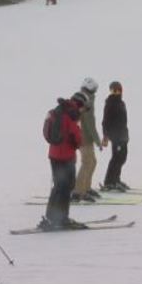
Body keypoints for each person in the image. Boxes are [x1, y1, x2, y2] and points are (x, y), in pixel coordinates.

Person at [41, 92, 86, 230]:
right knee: (66, 188)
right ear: (79, 104)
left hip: (54, 155)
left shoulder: (57, 111)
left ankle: (51, 217)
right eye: (82, 107)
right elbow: (77, 139)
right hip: (66, 158)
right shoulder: (71, 114)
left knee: (57, 187)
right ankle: (62, 218)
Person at [73, 78, 102, 203]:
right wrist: (97, 140)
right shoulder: (86, 101)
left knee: (92, 162)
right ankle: (78, 192)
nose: (95, 92)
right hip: (84, 138)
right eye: (94, 89)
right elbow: (90, 123)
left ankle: (86, 188)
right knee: (87, 163)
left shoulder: (83, 98)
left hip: (84, 137)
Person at [101, 81, 130, 191]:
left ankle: (116, 179)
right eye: (114, 90)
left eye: (118, 90)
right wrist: (105, 136)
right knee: (116, 158)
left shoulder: (122, 103)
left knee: (122, 158)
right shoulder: (110, 103)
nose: (117, 92)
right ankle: (109, 182)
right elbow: (105, 121)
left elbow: (123, 121)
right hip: (116, 136)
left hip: (123, 135)